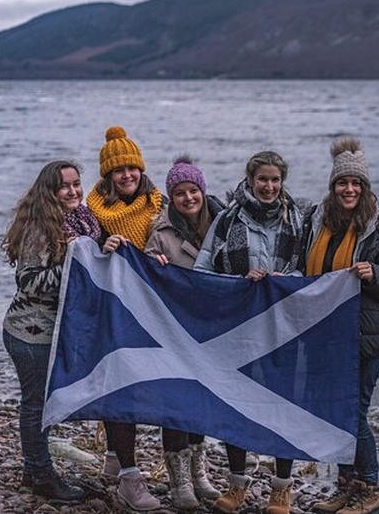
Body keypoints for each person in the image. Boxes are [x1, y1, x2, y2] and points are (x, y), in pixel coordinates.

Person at [300, 137, 379, 514]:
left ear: (364, 189)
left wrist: (373, 273)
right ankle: (345, 485)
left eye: (356, 184)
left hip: (366, 338)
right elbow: (300, 271)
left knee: (353, 412)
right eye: (342, 183)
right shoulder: (314, 222)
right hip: (325, 336)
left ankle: (371, 487)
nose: (349, 189)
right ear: (333, 187)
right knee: (334, 411)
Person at [194, 149, 305, 514]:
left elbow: (311, 271)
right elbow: (202, 270)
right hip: (237, 328)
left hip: (283, 329)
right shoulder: (226, 221)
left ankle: (281, 489)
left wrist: (284, 282)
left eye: (275, 180)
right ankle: (237, 484)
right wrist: (237, 283)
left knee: (283, 406)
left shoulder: (297, 220)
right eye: (263, 179)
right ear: (250, 179)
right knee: (235, 404)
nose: (269, 186)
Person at [0, 160, 99, 503]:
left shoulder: (77, 222)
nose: (73, 191)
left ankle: (33, 468)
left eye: (76, 184)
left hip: (48, 331)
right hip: (29, 333)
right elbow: (29, 282)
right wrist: (78, 260)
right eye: (65, 186)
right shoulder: (40, 228)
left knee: (39, 402)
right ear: (50, 191)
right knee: (36, 405)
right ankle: (42, 476)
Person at [87, 125, 164, 512]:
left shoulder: (159, 203)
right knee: (118, 385)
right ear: (108, 175)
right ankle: (129, 477)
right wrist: (102, 245)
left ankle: (117, 458)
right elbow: (82, 254)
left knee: (153, 384)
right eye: (119, 171)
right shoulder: (92, 212)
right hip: (113, 311)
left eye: (132, 168)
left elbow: (178, 240)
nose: (127, 175)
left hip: (154, 310)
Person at [143, 156, 225, 509]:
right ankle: (179, 483)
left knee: (201, 403)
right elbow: (143, 281)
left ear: (203, 192)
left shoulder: (222, 227)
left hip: (211, 332)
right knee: (176, 405)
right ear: (171, 197)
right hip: (173, 333)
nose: (188, 198)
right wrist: (153, 265)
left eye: (193, 190)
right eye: (179, 193)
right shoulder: (160, 233)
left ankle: (199, 474)